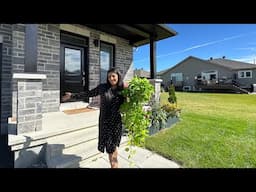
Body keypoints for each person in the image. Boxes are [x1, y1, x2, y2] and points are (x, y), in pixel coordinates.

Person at [62, 68, 128, 168]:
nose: (111, 78)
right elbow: (88, 94)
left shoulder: (123, 89)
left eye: (113, 76)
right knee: (111, 148)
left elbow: (130, 102)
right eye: (109, 76)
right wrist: (72, 96)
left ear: (118, 76)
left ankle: (115, 165)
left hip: (116, 123)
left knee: (112, 147)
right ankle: (115, 166)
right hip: (105, 122)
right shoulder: (103, 87)